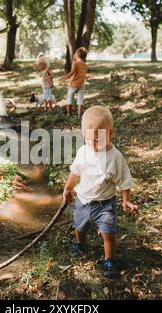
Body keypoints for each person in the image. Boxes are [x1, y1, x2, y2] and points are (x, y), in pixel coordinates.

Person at [62, 106, 139, 277]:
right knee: (79, 227)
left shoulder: (115, 157)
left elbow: (124, 181)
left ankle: (109, 260)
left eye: (98, 140)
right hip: (82, 201)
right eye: (88, 139)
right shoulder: (83, 152)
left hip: (105, 204)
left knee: (108, 233)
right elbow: (75, 172)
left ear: (111, 133)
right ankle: (80, 244)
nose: (93, 144)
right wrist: (68, 189)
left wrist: (126, 200)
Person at [61, 47, 89, 118]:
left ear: (76, 55)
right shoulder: (86, 65)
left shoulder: (75, 63)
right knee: (80, 101)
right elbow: (83, 75)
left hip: (73, 84)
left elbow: (72, 72)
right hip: (81, 85)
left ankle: (69, 114)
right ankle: (79, 115)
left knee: (69, 99)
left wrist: (64, 78)